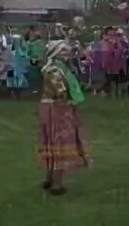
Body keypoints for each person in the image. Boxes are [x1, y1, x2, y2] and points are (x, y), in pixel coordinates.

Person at [36, 41, 90, 196]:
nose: (67, 53)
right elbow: (60, 92)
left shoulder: (59, 68)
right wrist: (71, 102)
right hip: (56, 109)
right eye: (64, 51)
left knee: (52, 143)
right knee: (58, 144)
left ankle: (50, 179)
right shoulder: (54, 70)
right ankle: (56, 184)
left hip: (52, 108)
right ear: (56, 53)